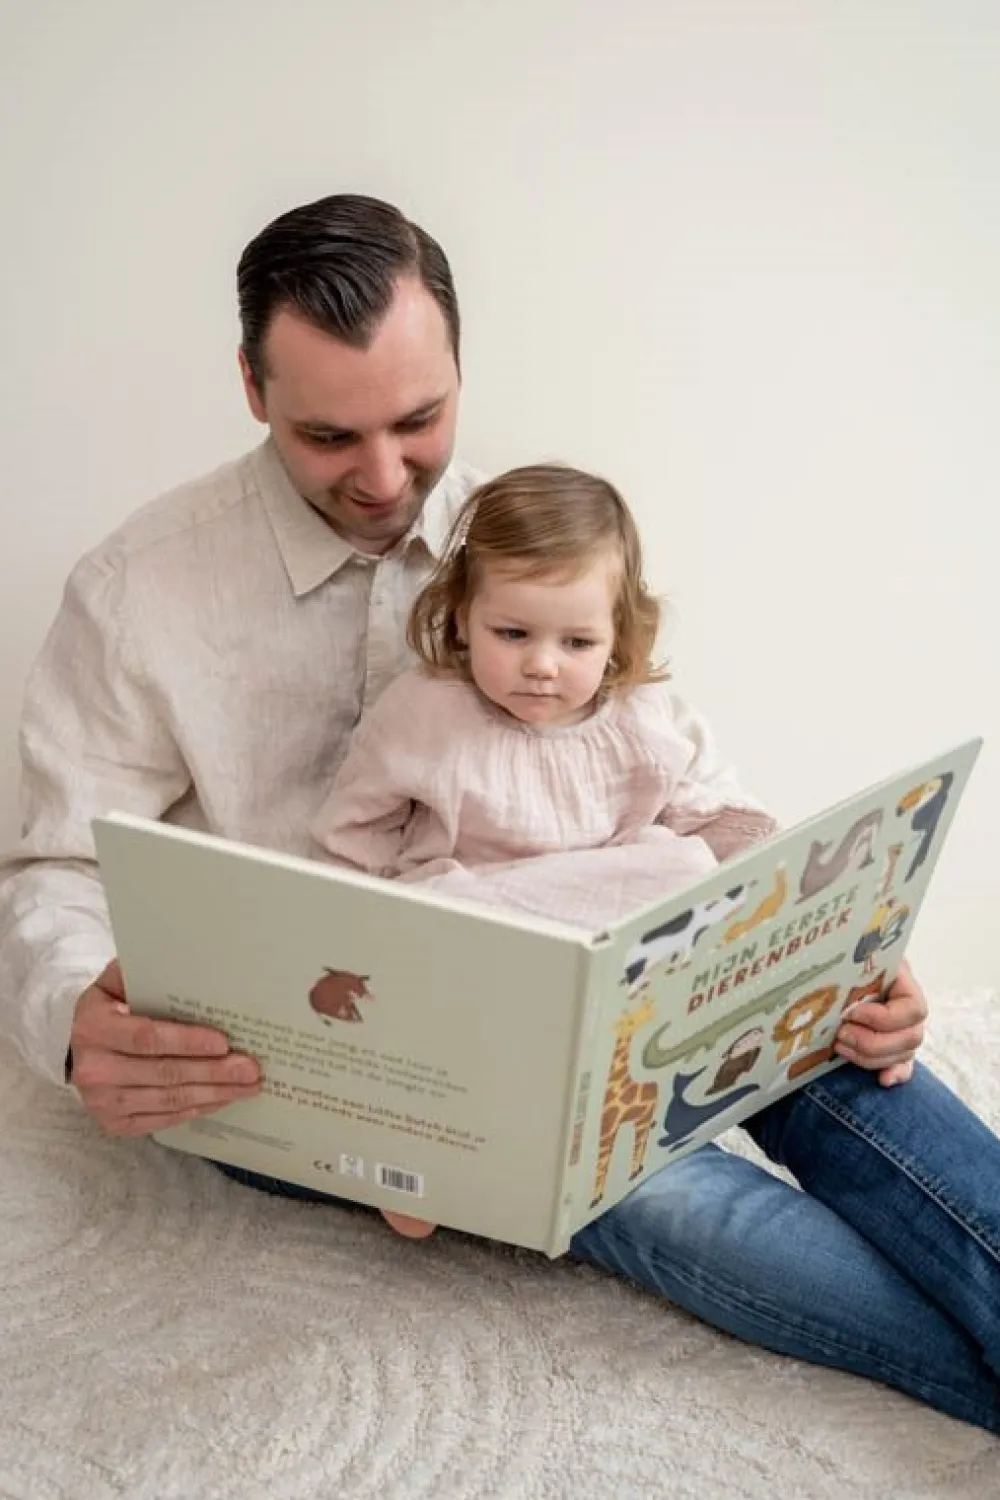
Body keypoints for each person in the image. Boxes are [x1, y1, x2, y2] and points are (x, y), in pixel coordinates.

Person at [0, 193, 997, 1434]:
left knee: (846, 1064)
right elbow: (49, 865)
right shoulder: (139, 588)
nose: (383, 478)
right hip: (343, 1060)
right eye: (327, 435)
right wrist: (77, 1018)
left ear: (461, 369)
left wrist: (837, 941)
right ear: (252, 389)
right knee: (668, 1195)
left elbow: (693, 780)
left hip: (605, 971)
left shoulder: (535, 540)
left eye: (419, 421)